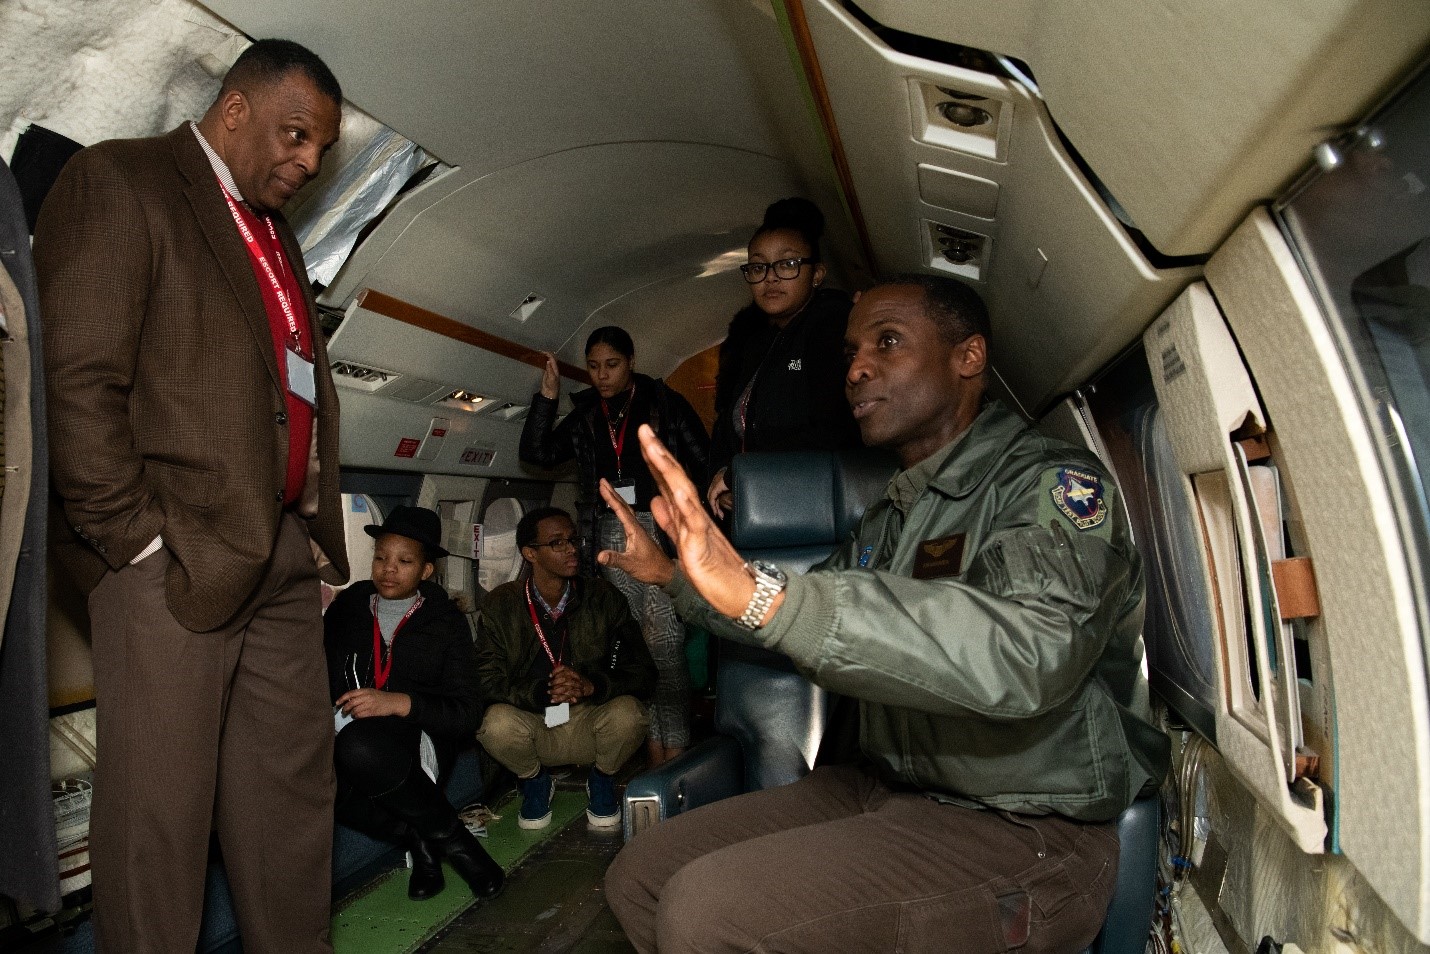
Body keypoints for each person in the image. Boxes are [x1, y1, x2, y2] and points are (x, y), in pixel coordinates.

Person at [599, 275, 1171, 953]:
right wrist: (676, 577)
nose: (857, 368)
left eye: (887, 341)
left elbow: (1030, 653)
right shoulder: (894, 513)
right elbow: (783, 615)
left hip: (1026, 827)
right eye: (850, 352)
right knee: (640, 874)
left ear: (968, 357)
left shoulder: (1048, 484)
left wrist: (772, 598)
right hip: (886, 788)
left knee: (707, 910)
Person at [35, 40, 349, 953]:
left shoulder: (275, 233)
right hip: (172, 563)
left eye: (323, 150)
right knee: (160, 824)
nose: (308, 162)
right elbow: (76, 380)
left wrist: (318, 542)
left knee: (293, 801)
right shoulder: (121, 181)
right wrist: (135, 542)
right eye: (296, 135)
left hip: (281, 560)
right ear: (236, 109)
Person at [519, 326, 709, 766]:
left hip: (659, 529)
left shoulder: (663, 403)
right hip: (607, 533)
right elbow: (538, 453)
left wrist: (692, 524)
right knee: (631, 644)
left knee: (664, 639)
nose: (602, 376)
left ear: (631, 362)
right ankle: (649, 743)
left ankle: (675, 742)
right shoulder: (587, 414)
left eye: (612, 365)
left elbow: (703, 461)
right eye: (593, 367)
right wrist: (547, 397)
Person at [324, 506, 503, 901]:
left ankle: (461, 849)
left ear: (425, 571)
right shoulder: (349, 608)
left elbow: (467, 713)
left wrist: (398, 702)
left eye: (404, 561)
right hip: (346, 726)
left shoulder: (444, 621)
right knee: (306, 771)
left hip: (417, 736)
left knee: (358, 745)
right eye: (381, 558)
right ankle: (423, 840)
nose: (389, 569)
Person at [475, 507, 657, 830]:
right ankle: (535, 781)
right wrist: (541, 691)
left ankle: (601, 780)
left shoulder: (603, 597)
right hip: (535, 721)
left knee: (632, 714)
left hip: (588, 718)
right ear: (530, 553)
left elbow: (644, 673)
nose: (572, 549)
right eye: (557, 543)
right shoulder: (500, 605)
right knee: (493, 725)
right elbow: (486, 681)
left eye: (573, 540)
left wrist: (592, 685)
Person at [706, 197, 861, 518]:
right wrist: (721, 474)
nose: (771, 277)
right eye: (759, 266)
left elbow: (832, 429)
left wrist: (739, 475)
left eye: (788, 264)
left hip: (816, 507)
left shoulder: (833, 325)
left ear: (816, 274)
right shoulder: (758, 343)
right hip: (760, 505)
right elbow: (727, 426)